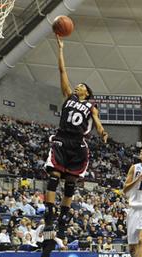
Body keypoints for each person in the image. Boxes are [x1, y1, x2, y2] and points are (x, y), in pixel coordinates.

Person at [42, 35, 109, 239]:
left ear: (87, 92)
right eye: (77, 85)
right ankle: (49, 216)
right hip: (62, 138)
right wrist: (60, 48)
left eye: (82, 86)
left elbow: (97, 122)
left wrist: (102, 132)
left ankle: (63, 218)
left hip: (78, 143)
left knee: (70, 182)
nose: (78, 86)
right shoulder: (69, 97)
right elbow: (62, 71)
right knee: (54, 177)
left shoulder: (91, 106)